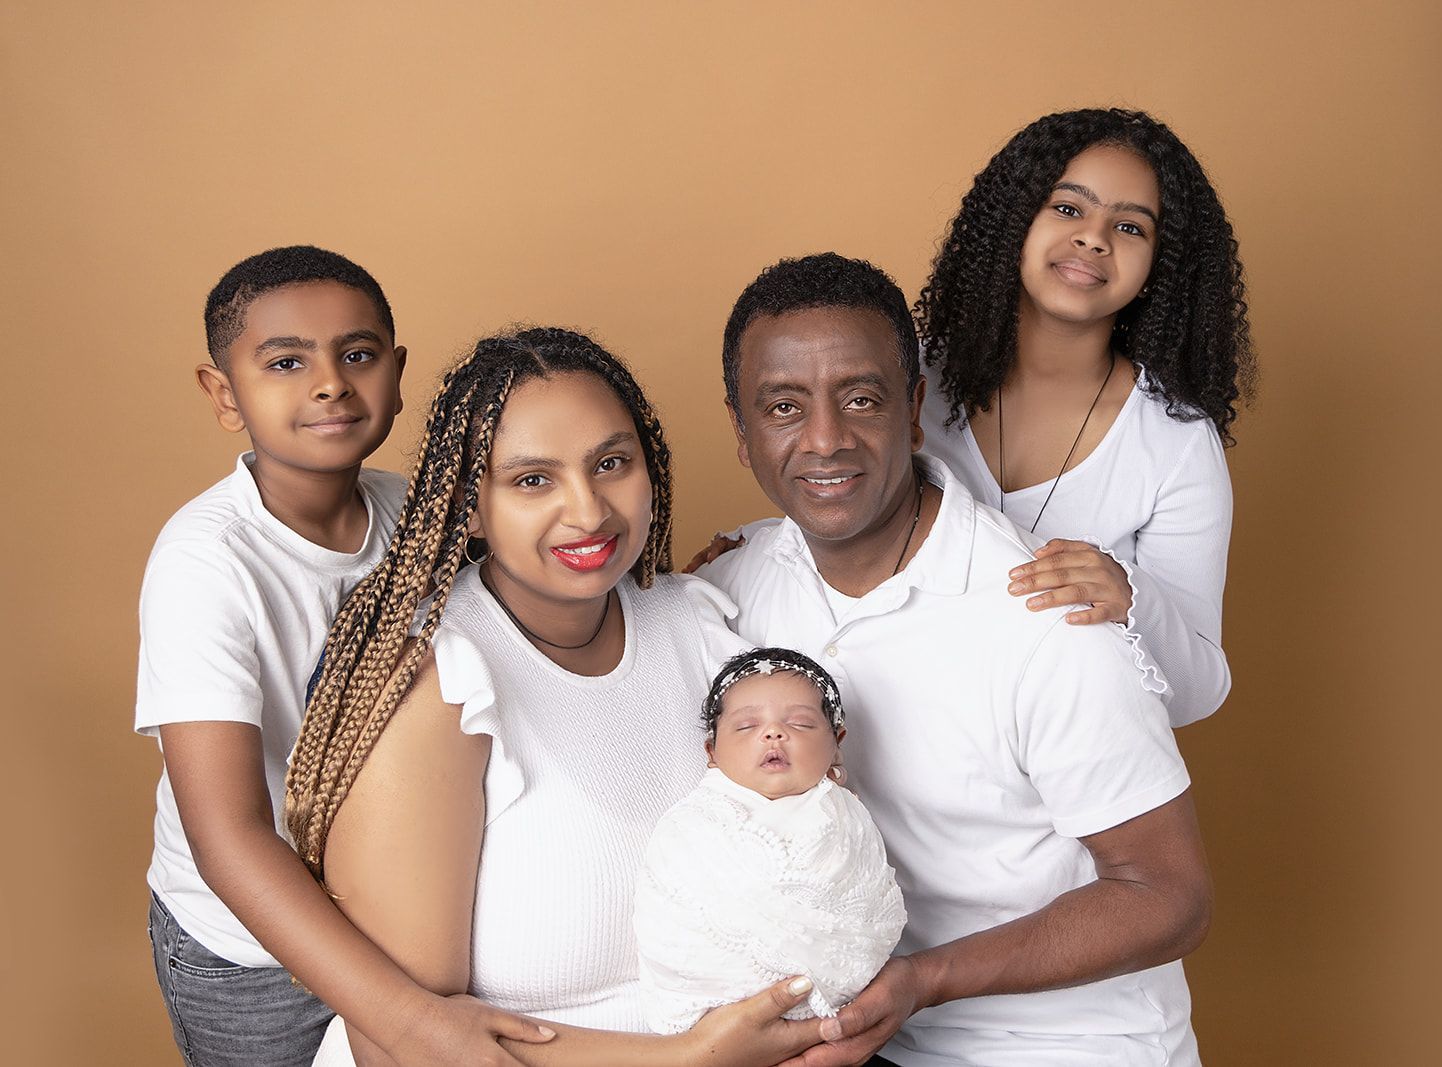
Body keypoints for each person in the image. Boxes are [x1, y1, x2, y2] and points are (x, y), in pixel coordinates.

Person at [696, 253, 1213, 1066]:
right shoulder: (728, 591)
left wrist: (924, 978)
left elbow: (1170, 896)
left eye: (861, 398)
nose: (825, 439)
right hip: (861, 1038)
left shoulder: (1047, 616)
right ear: (741, 431)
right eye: (785, 406)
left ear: (913, 410)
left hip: (1067, 1045)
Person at [287, 328, 828, 1067]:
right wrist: (690, 1058)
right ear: (468, 507)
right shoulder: (438, 681)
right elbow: (402, 1046)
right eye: (532, 479)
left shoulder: (699, 625)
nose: (588, 509)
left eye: (611, 463)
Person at [139, 246, 542, 1066]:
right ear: (224, 394)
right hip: (250, 951)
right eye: (286, 361)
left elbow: (539, 602)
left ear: (396, 374)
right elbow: (230, 839)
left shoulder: (415, 512)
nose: (329, 382)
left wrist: (674, 590)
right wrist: (415, 1020)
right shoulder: (205, 563)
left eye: (357, 355)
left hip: (392, 913)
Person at [914, 108, 1257, 728]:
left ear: (1162, 270)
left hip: (1058, 788)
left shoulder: (1174, 443)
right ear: (1015, 220)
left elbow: (1199, 692)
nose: (1095, 238)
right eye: (1069, 209)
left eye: (1130, 227)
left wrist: (1129, 599)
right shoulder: (909, 383)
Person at [634, 647, 906, 1034]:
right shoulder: (692, 824)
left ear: (836, 742)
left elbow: (869, 911)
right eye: (746, 727)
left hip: (836, 1020)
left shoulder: (846, 816)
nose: (773, 733)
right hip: (714, 1026)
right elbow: (669, 918)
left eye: (801, 724)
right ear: (712, 751)